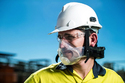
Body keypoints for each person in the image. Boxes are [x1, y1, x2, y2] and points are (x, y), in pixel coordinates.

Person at [24, 2, 124, 83]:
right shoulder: (39, 79)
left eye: (70, 37)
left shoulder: (114, 80)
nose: (62, 45)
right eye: (60, 38)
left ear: (92, 39)